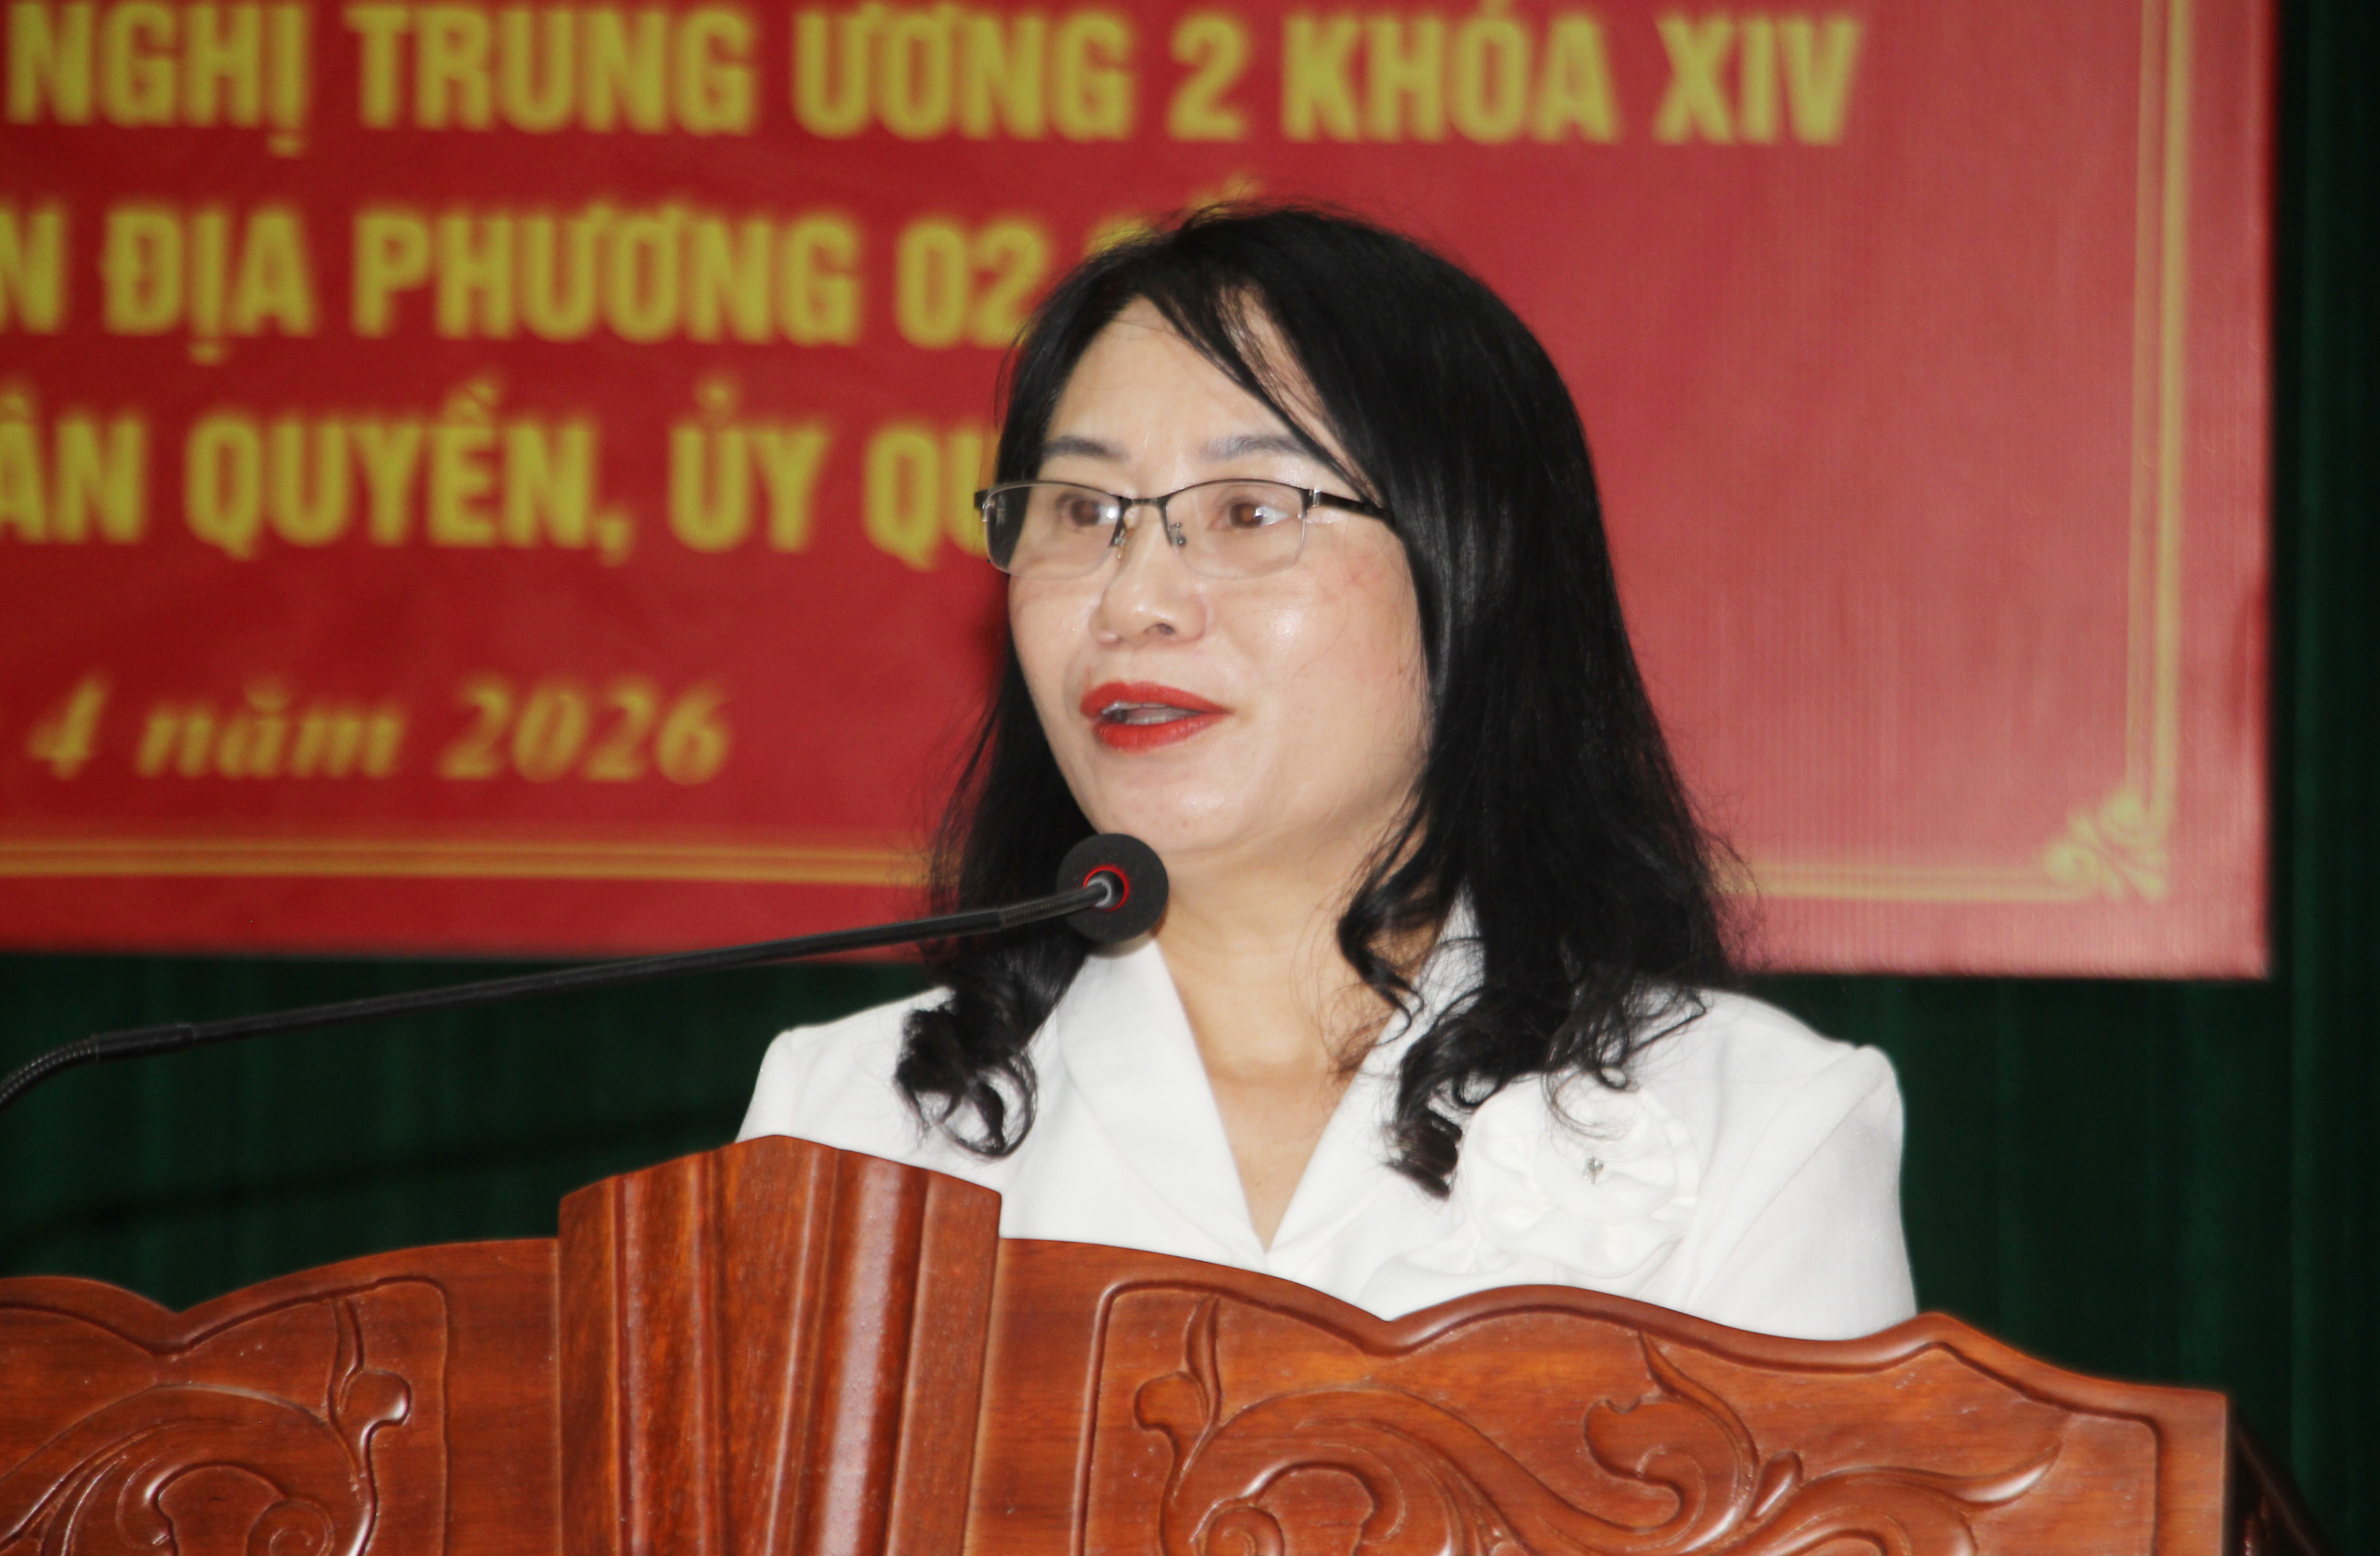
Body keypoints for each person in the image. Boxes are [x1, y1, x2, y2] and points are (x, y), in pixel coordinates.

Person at [740, 204, 1915, 1340]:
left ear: (1469, 566)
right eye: (1083, 509)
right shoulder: (844, 1123)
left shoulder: (1753, 1130)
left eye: (1249, 510)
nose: (1132, 598)